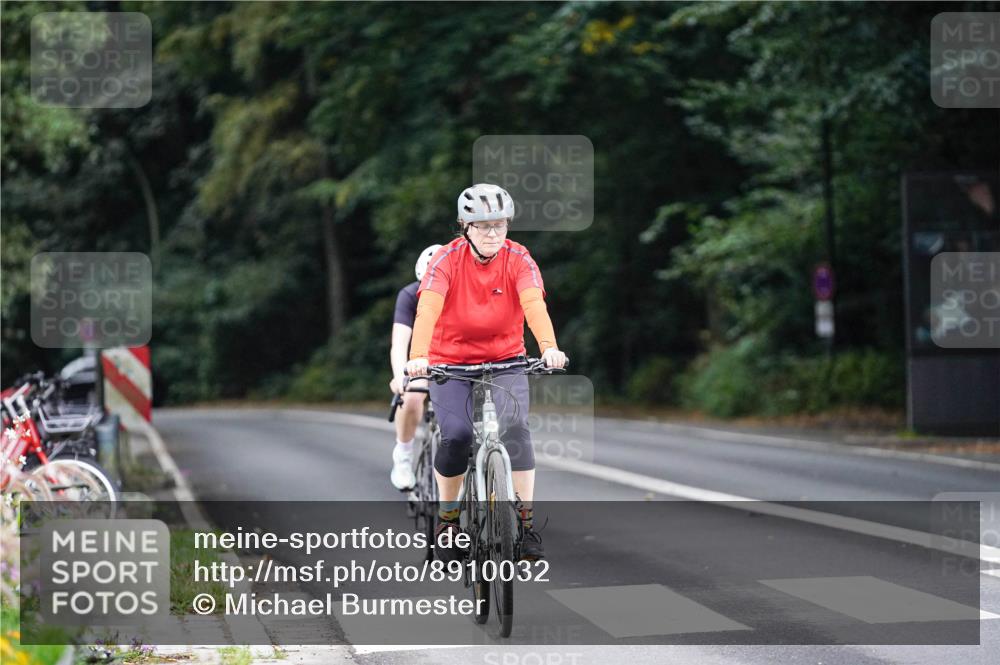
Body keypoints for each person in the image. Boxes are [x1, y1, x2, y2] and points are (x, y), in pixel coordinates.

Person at [405, 183, 568, 561]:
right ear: (465, 227)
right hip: (450, 363)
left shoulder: (519, 258)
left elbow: (533, 303)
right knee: (457, 436)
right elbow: (427, 310)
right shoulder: (445, 260)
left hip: (506, 359)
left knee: (516, 428)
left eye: (500, 225)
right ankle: (448, 523)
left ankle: (524, 525)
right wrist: (418, 357)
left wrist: (549, 348)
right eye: (483, 226)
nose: (493, 234)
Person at [388, 244, 443, 490]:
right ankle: (403, 454)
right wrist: (400, 376)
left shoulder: (466, 292)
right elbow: (400, 343)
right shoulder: (410, 296)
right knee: (411, 396)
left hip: (456, 357)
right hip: (422, 360)